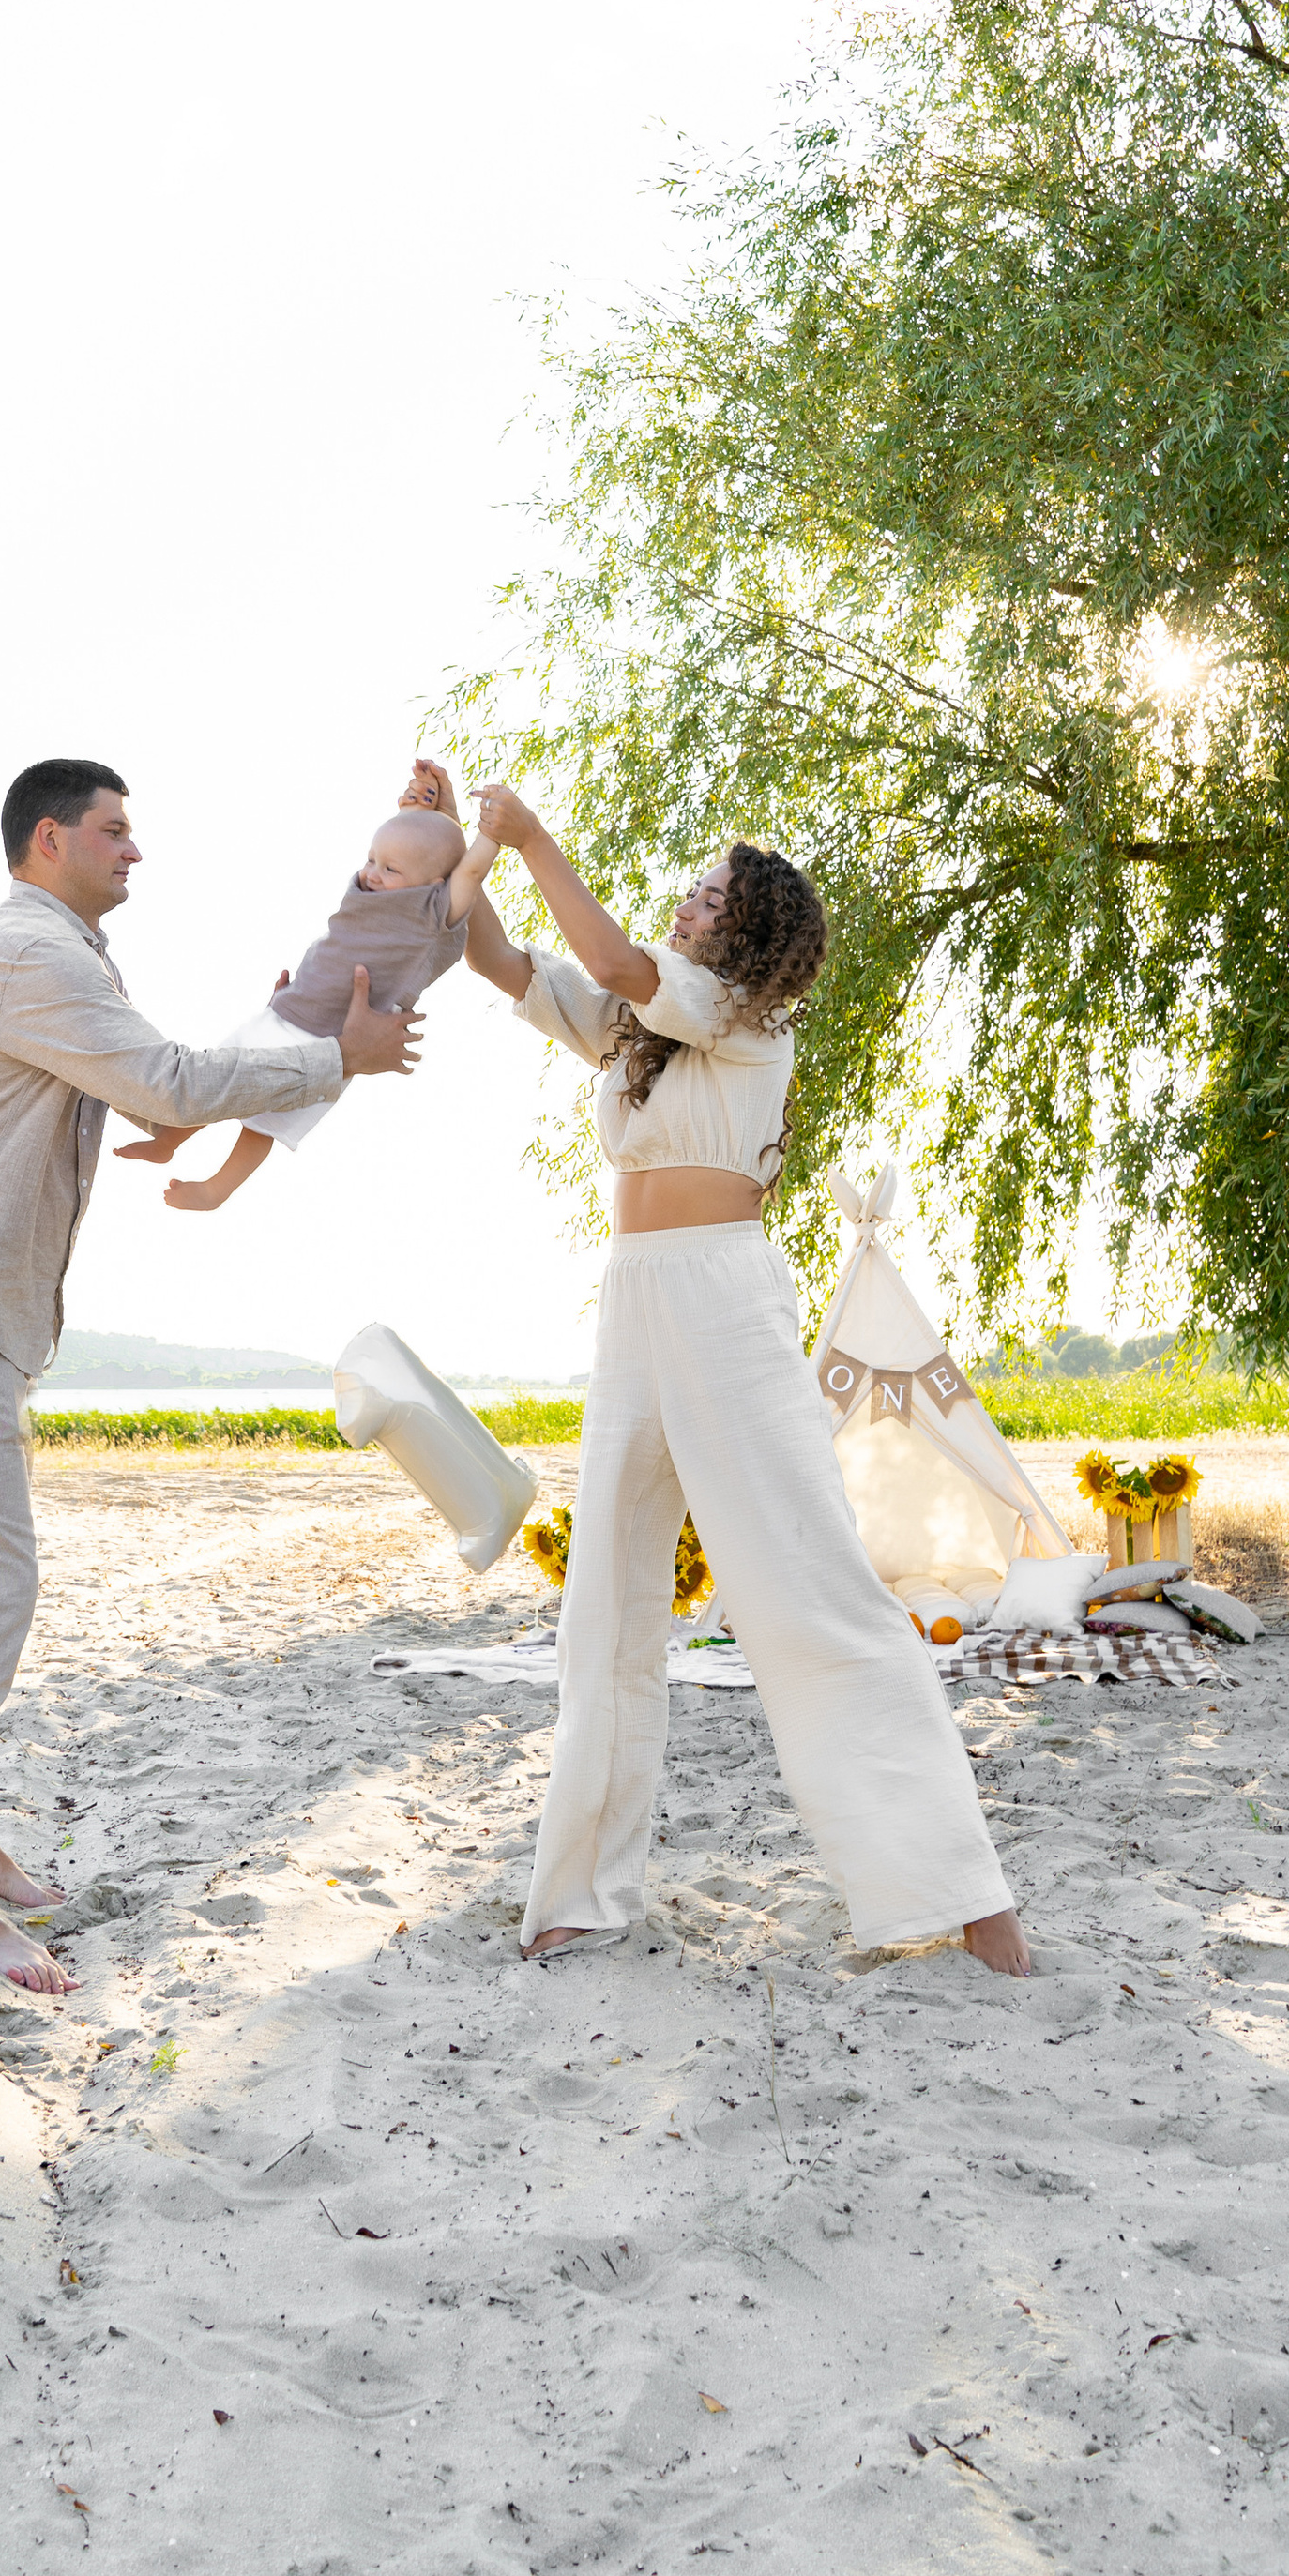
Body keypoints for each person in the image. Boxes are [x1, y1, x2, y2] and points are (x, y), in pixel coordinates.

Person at [436, 765, 1029, 1977]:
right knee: (603, 1596)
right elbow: (492, 957)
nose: (691, 901)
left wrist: (538, 833)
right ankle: (579, 1898)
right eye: (697, 888)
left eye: (714, 896)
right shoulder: (644, 1030)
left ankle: (970, 1899)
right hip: (636, 1302)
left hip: (722, 1298)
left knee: (812, 1595)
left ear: (752, 938)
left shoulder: (738, 1019)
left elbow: (607, 958)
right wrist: (458, 843)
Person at [0, 757, 423, 1996]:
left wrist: (324, 1015)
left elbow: (152, 1085)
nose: (135, 850)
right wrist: (341, 1064)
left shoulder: (64, 963)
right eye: (115, 831)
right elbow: (163, 1081)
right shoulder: (32, 959)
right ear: (47, 841)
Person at [114, 796, 499, 1210]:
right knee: (218, 1075)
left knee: (264, 1121)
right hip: (289, 1008)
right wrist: (419, 805)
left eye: (391, 869)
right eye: (372, 859)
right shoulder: (377, 887)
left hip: (329, 1043)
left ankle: (216, 1189)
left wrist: (492, 833)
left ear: (435, 883)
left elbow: (469, 869)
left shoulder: (433, 912)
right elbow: (412, 843)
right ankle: (170, 1136)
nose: (372, 873)